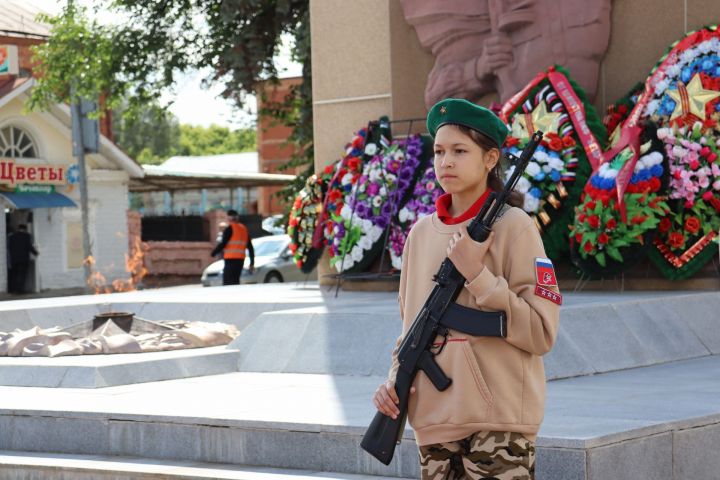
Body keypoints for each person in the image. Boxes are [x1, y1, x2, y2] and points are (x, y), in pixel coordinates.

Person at [372, 99, 560, 479]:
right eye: (440, 151)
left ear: (491, 159)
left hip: (500, 424)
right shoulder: (421, 235)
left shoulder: (515, 228)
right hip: (435, 423)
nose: (446, 162)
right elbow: (411, 326)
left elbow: (542, 332)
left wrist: (479, 277)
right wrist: (394, 380)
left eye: (460, 151)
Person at [211, 210, 254, 285]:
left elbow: (223, 243)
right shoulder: (244, 229)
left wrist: (214, 252)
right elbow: (250, 247)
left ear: (229, 218)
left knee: (228, 282)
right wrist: (252, 262)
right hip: (240, 259)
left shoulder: (229, 229)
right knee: (235, 281)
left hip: (230, 259)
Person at [7, 224, 38, 294]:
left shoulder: (11, 237)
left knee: (14, 274)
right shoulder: (26, 236)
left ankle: (13, 290)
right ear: (25, 229)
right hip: (23, 259)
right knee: (22, 275)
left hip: (14, 259)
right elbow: (29, 246)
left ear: (18, 228)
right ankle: (20, 290)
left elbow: (9, 247)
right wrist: (36, 253)